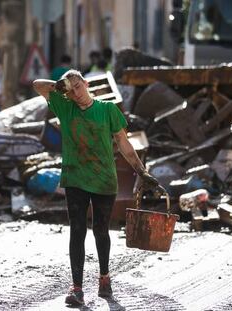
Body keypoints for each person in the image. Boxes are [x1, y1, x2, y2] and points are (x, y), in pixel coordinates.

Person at [33, 70, 161, 306]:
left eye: (79, 87)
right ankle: (77, 288)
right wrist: (61, 86)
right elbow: (37, 85)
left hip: (103, 179)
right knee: (77, 230)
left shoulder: (107, 110)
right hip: (75, 178)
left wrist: (142, 172)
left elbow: (123, 142)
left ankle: (104, 278)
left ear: (86, 83)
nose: (76, 93)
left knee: (101, 231)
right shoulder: (65, 106)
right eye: (71, 91)